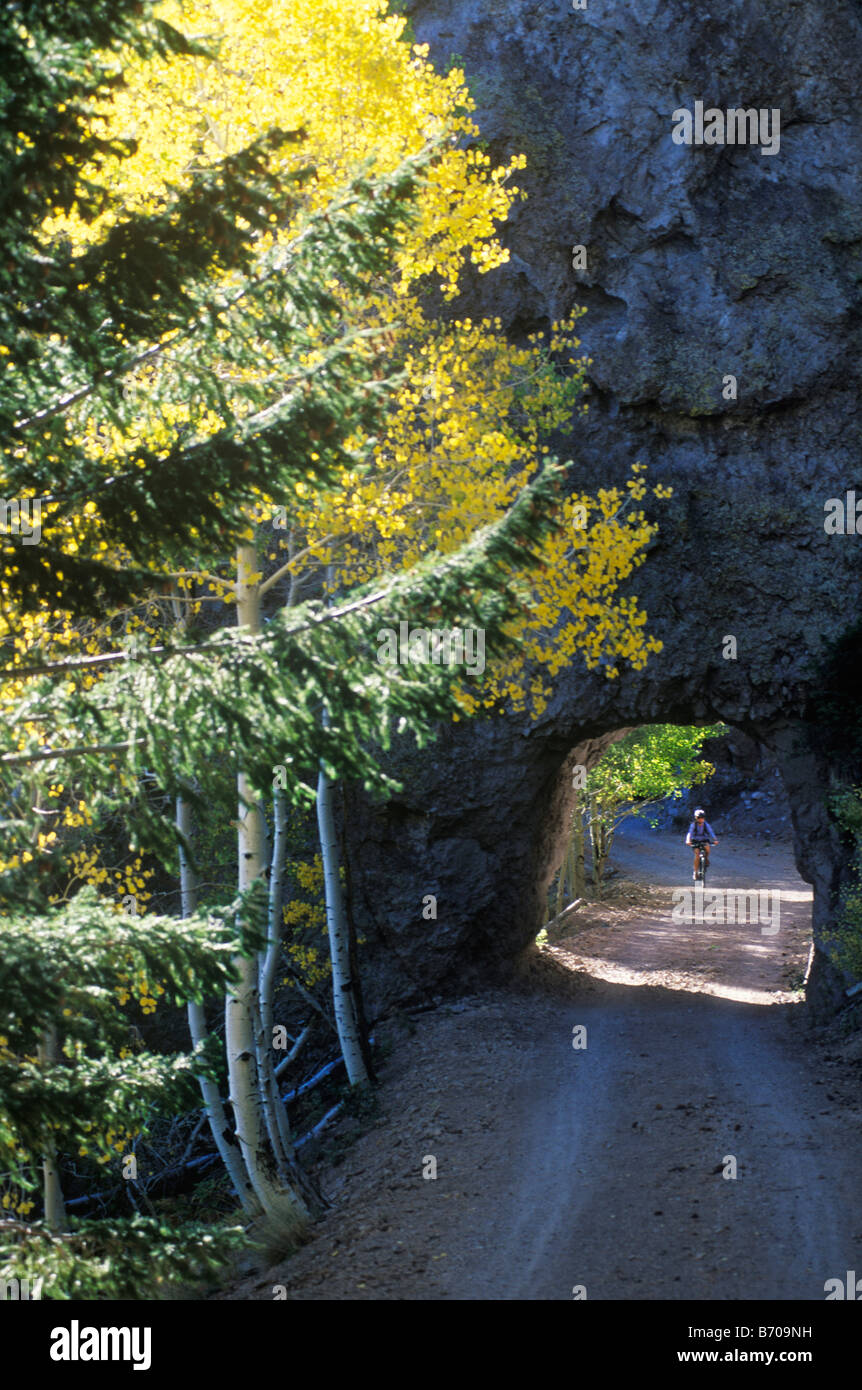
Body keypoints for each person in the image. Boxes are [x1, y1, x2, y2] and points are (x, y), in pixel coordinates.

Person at [685, 808, 718, 880]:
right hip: (695, 840)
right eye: (699, 818)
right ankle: (695, 872)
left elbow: (711, 832)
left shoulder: (706, 824)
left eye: (702, 817)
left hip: (704, 839)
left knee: (707, 848)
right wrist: (688, 840)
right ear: (696, 818)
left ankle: (706, 858)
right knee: (697, 854)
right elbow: (690, 833)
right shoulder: (693, 825)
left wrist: (715, 839)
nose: (700, 819)